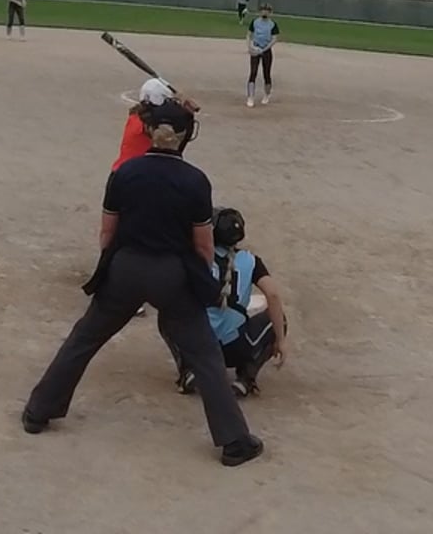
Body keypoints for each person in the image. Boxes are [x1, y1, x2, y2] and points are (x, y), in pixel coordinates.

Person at [21, 101, 264, 468]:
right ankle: (234, 441)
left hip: (125, 268)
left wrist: (112, 271)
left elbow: (107, 234)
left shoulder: (125, 172)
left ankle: (38, 411)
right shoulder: (195, 180)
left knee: (84, 338)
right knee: (204, 355)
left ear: (150, 132)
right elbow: (203, 245)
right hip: (173, 274)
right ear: (185, 136)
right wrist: (198, 284)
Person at [168, 207, 288, 399]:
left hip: (201, 345)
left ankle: (188, 370)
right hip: (236, 348)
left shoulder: (196, 255)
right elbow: (272, 295)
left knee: (168, 315)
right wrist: (280, 340)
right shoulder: (251, 260)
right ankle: (245, 379)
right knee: (278, 319)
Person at [115, 78, 202, 172]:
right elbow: (181, 135)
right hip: (135, 172)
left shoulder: (136, 116)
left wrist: (186, 110)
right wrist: (185, 110)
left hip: (125, 170)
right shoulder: (148, 122)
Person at [245, 6, 279, 108]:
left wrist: (264, 49)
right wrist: (250, 47)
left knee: (266, 73)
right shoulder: (255, 22)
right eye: (263, 11)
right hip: (256, 48)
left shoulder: (272, 24)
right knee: (253, 72)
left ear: (270, 13)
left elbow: (274, 39)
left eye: (267, 11)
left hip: (266, 50)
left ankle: (267, 94)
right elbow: (249, 34)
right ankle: (250, 97)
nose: (265, 13)